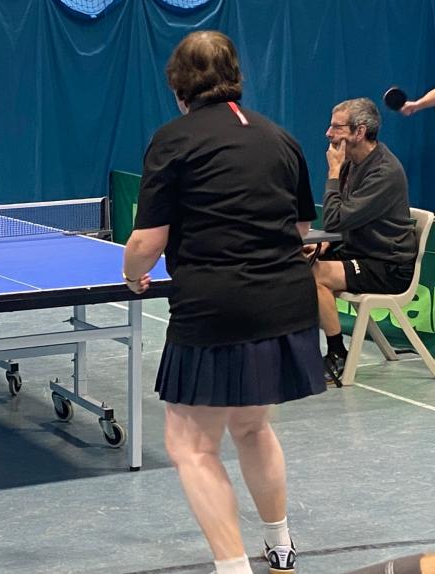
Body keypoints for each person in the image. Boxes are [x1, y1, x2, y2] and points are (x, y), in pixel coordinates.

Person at [123, 31, 324, 574]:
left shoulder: (172, 139)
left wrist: (132, 276)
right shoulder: (281, 137)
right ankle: (280, 547)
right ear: (235, 74)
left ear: (178, 84)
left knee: (191, 445)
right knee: (253, 427)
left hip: (215, 308)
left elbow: (147, 242)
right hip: (285, 303)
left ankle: (231, 568)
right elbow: (301, 225)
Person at [313, 98, 416, 384]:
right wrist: (324, 245)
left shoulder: (383, 171)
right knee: (295, 263)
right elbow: (346, 224)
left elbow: (334, 220)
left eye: (336, 127)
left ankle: (337, 356)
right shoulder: (354, 163)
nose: (328, 133)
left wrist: (333, 172)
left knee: (314, 275)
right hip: (358, 252)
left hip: (388, 265)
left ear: (359, 132)